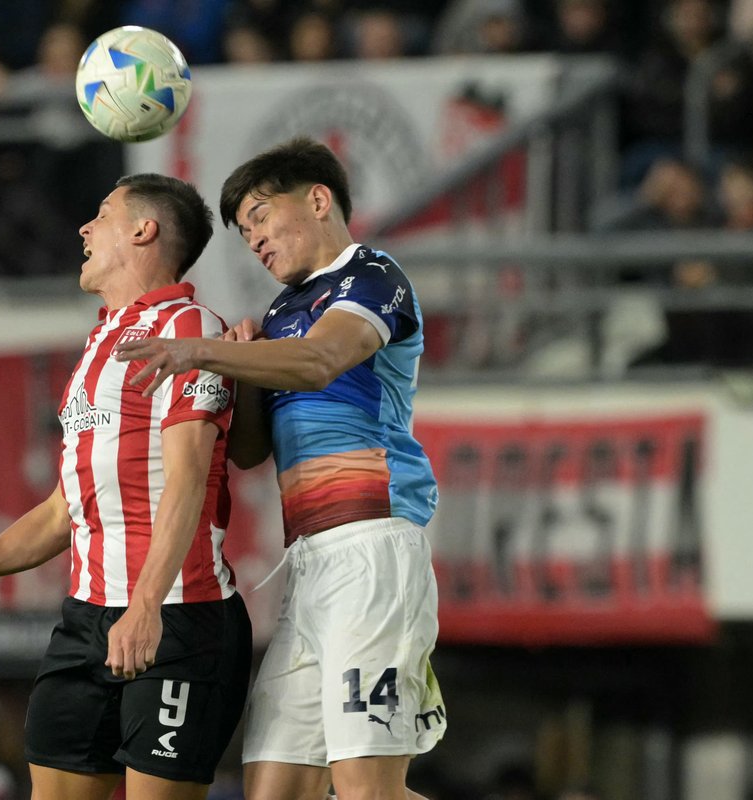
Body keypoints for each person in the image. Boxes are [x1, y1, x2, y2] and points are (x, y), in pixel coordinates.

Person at [0, 173, 252, 800]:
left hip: (178, 619)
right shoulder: (99, 344)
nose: (84, 229)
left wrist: (144, 608)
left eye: (102, 215)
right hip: (85, 620)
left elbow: (187, 485)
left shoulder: (190, 331)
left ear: (144, 230)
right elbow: (65, 510)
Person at [115, 138, 445, 800]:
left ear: (318, 200)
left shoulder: (373, 276)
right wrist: (241, 374)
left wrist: (203, 352)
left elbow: (321, 361)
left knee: (365, 789)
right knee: (275, 791)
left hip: (372, 545)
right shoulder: (278, 315)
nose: (255, 241)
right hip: (308, 565)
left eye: (262, 216)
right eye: (244, 232)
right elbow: (248, 452)